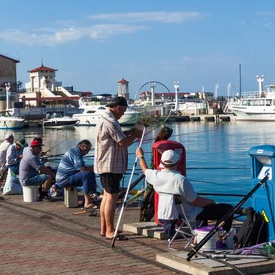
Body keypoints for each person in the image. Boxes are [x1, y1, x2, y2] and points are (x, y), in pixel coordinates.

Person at [136, 147, 234, 238]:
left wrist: (140, 156)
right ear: (177, 163)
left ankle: (201, 235)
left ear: (161, 162)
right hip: (189, 212)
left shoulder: (156, 175)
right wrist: (210, 201)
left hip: (172, 213)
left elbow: (144, 169)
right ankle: (220, 237)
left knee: (206, 210)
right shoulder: (180, 179)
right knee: (229, 210)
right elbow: (195, 201)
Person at [94, 96, 143, 240]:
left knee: (107, 197)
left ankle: (105, 228)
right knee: (111, 198)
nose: (123, 114)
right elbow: (123, 142)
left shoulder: (105, 119)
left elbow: (117, 137)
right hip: (110, 166)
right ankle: (109, 231)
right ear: (118, 108)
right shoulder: (111, 122)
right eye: (123, 111)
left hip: (105, 165)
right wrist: (135, 135)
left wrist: (130, 132)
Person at [56, 139, 97, 209]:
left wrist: (93, 169)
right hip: (64, 179)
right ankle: (87, 203)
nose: (87, 153)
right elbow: (82, 169)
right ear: (82, 146)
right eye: (87, 150)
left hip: (67, 176)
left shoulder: (75, 151)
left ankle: (91, 199)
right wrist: (96, 168)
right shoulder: (76, 152)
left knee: (90, 174)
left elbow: (81, 168)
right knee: (87, 175)